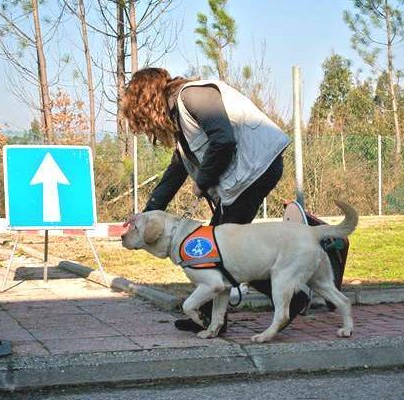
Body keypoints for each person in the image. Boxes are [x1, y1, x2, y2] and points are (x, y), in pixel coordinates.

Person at [121, 67, 310, 334]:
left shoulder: (194, 97)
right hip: (244, 177)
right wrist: (146, 215)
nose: (145, 127)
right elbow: (175, 172)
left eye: (140, 117)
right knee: (215, 249)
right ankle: (210, 317)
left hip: (257, 169)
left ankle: (292, 297)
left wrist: (202, 182)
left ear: (147, 103)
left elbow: (224, 141)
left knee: (218, 250)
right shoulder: (180, 122)